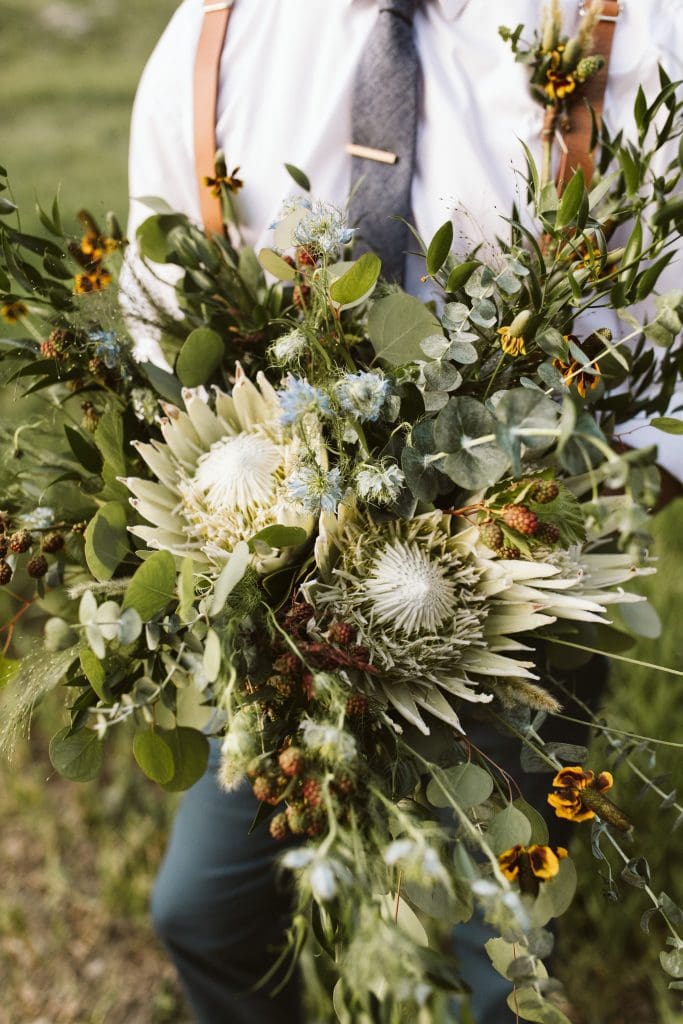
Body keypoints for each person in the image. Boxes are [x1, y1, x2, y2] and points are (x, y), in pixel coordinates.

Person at [126, 2, 683, 1021]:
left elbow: (668, 351)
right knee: (203, 910)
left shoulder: (629, 30)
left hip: (513, 591)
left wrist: (538, 522)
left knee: (498, 950)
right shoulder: (218, 30)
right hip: (276, 593)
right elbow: (159, 314)